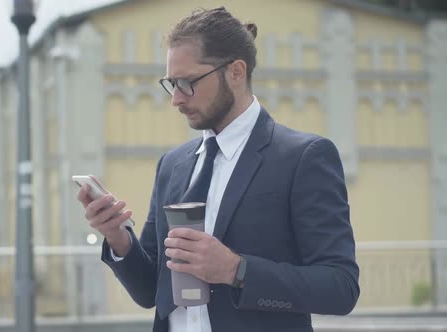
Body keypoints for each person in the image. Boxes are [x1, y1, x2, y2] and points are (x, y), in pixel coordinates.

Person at [77, 6, 359, 332]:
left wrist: (236, 270)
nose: (176, 100)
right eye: (171, 84)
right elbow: (150, 292)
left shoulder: (304, 157)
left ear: (236, 72)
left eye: (187, 82)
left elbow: (341, 287)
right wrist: (118, 238)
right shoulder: (172, 165)